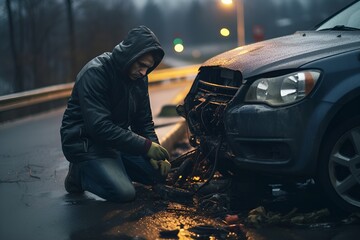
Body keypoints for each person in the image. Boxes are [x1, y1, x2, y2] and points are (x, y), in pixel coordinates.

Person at [60, 26, 171, 202]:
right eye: (141, 65)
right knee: (124, 193)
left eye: (148, 68)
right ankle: (79, 175)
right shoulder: (96, 73)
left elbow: (144, 122)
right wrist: (145, 146)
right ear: (130, 55)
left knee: (158, 174)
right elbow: (99, 127)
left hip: (115, 143)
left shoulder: (139, 78)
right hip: (86, 144)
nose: (144, 72)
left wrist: (155, 153)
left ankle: (112, 169)